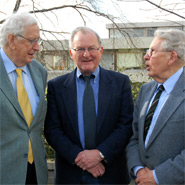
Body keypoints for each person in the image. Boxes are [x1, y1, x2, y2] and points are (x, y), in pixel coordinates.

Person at [44, 26, 134, 185]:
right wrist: (81, 158)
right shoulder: (56, 87)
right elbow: (52, 129)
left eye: (91, 48)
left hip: (111, 174)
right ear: (71, 53)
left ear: (101, 51)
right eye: (80, 49)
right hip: (70, 175)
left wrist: (100, 155)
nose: (86, 54)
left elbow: (126, 125)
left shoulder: (120, 82)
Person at [126, 29, 185, 185]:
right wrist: (138, 169)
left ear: (172, 57)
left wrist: (158, 177)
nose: (146, 56)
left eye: (151, 51)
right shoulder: (146, 90)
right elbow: (134, 137)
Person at [0, 12, 48, 184]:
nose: (37, 47)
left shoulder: (40, 72)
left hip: (36, 173)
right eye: (31, 40)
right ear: (12, 40)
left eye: (38, 41)